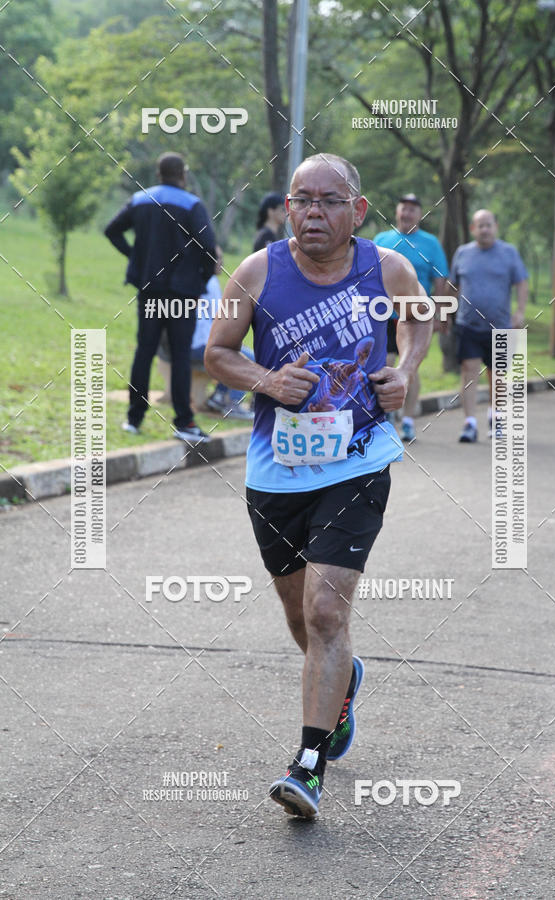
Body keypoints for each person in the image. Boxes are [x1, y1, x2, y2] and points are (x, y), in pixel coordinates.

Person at [205, 153, 432, 818]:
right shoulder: (256, 271)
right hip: (277, 470)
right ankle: (344, 681)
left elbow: (419, 318)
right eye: (301, 200)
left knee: (327, 613)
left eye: (329, 201)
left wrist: (407, 369)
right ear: (286, 206)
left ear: (357, 212)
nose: (312, 213)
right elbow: (218, 353)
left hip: (359, 459)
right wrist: (267, 381)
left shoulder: (386, 268)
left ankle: (308, 763)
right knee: (300, 619)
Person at [104, 152, 217, 444]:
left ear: (158, 173)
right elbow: (208, 248)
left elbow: (111, 230)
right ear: (183, 173)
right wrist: (202, 280)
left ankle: (134, 418)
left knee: (145, 351)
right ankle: (184, 422)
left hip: (150, 291)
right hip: (183, 295)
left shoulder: (141, 199)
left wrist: (137, 261)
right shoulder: (192, 204)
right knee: (180, 356)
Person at [448, 209, 528, 443]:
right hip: (468, 325)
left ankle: (496, 419)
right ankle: (470, 423)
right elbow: (453, 286)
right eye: (479, 225)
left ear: (496, 226)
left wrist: (520, 311)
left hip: (501, 326)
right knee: (469, 372)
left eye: (488, 225)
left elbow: (522, 282)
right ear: (473, 229)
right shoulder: (463, 253)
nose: (484, 229)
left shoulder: (509, 253)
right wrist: (445, 313)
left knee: (498, 376)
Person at [373, 193, 448, 441]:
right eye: (403, 209)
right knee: (384, 361)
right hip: (383, 312)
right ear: (397, 212)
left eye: (412, 210)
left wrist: (438, 314)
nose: (406, 214)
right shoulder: (382, 240)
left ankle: (407, 420)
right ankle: (385, 417)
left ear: (420, 215)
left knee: (409, 366)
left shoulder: (430, 243)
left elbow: (440, 280)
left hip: (416, 313)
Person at [191, 272, 255, 421]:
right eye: (218, 258)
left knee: (235, 353)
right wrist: (231, 342)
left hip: (189, 342)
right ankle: (233, 404)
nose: (221, 262)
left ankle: (219, 396)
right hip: (199, 344)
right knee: (246, 358)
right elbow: (219, 316)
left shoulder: (193, 275)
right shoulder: (210, 280)